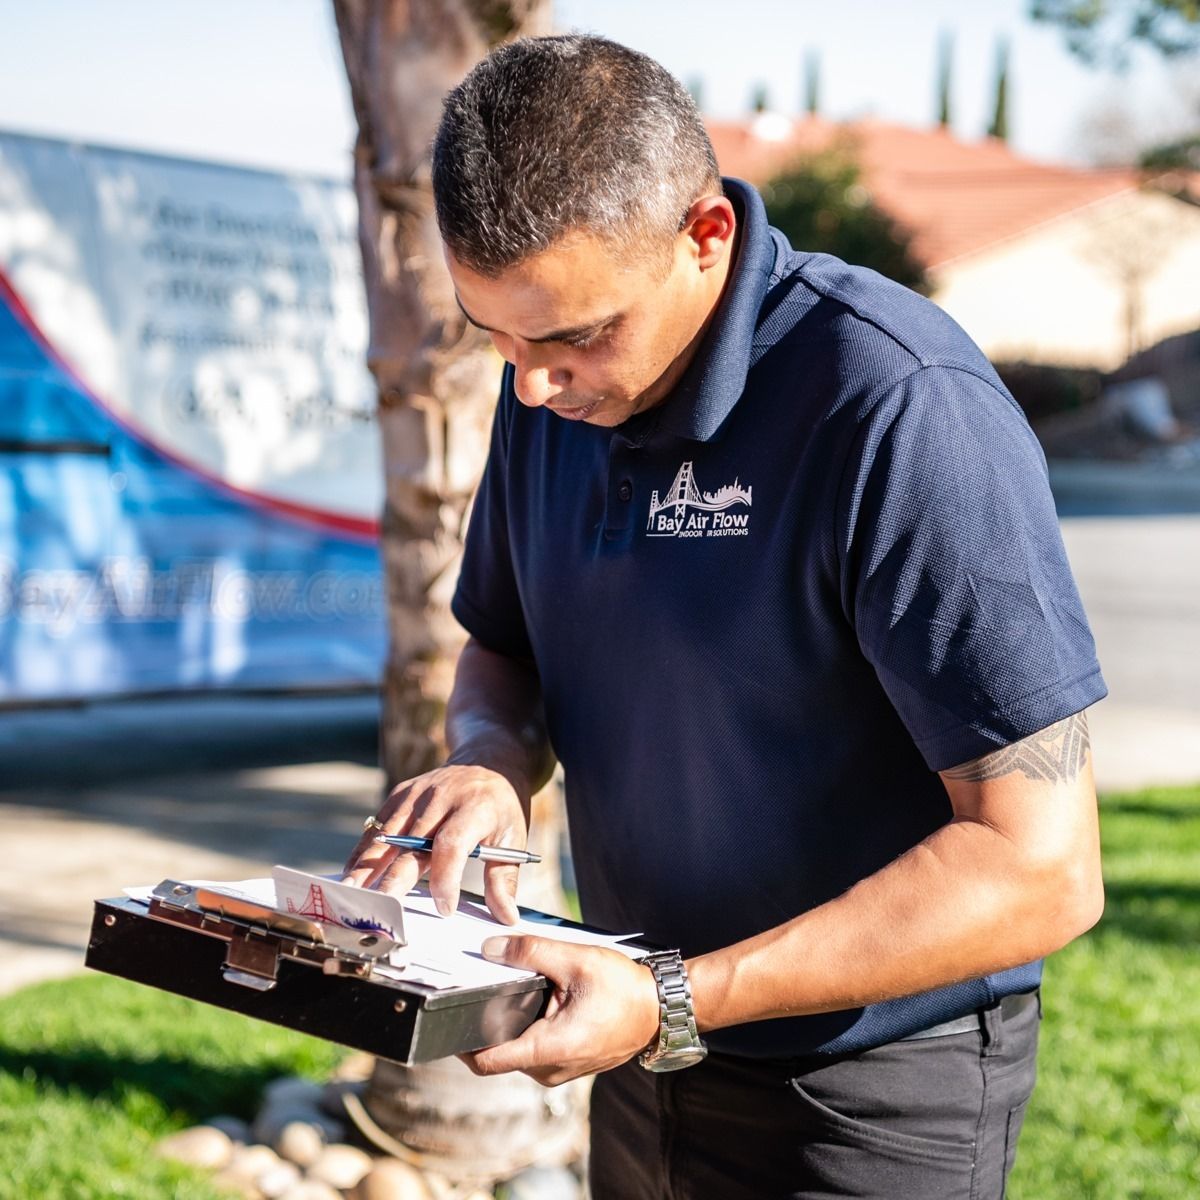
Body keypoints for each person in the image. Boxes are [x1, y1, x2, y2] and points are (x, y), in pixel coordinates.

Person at [344, 34, 1107, 1200]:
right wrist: (493, 759)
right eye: (491, 334)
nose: (532, 385)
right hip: (640, 1047)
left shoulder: (899, 407)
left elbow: (1043, 866)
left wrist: (680, 997)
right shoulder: (542, 383)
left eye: (575, 335)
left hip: (867, 1095)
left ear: (707, 237)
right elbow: (504, 642)